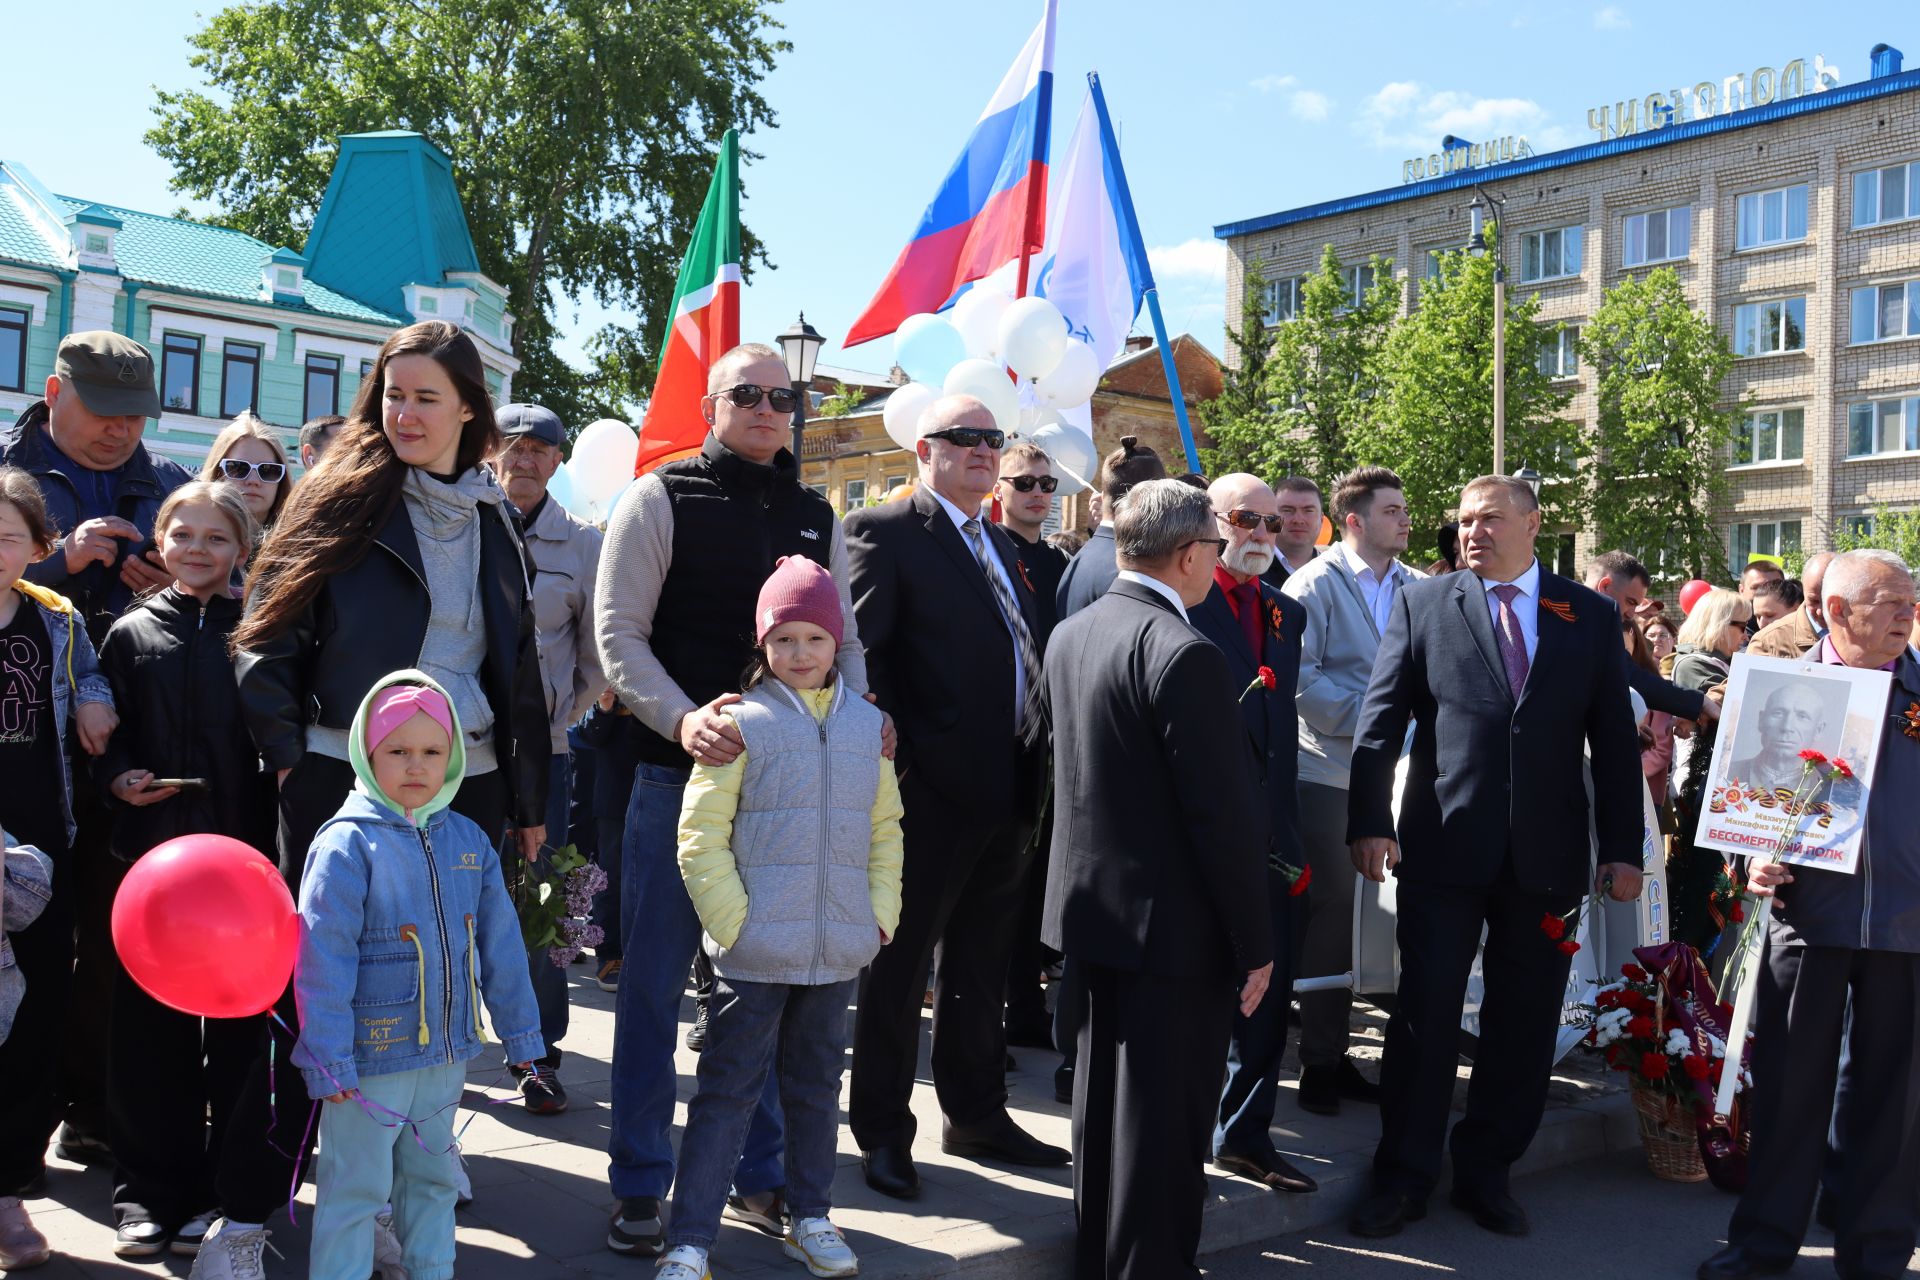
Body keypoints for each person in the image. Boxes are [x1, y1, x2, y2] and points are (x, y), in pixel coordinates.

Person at [596, 343, 874, 1254]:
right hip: (675, 782)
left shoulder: (812, 514)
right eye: (746, 394)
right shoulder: (661, 496)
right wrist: (684, 723)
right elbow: (618, 636)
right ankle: (641, 1183)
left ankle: (760, 1183)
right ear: (712, 404)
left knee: (770, 991)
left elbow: (849, 644)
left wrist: (863, 722)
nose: (766, 408)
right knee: (653, 990)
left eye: (781, 395)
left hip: (789, 799)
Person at [1345, 475, 1643, 1240]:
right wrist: (1368, 821)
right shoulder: (1426, 603)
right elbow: (1380, 723)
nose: (1473, 532)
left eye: (1491, 519)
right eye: (1465, 520)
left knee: (1524, 1021)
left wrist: (1621, 848)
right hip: (1443, 846)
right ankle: (1404, 1175)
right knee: (1425, 1015)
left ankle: (1487, 1172)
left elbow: (1613, 744)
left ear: (1534, 524)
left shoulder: (1587, 613)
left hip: (1546, 857)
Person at [1043, 478, 1274, 1279]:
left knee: (1102, 1116)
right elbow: (1221, 817)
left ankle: (1106, 1260)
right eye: (1213, 546)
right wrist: (1255, 940)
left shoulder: (1072, 632)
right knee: (1166, 1129)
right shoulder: (1185, 651)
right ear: (1186, 555)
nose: (1218, 561)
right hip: (1174, 931)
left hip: (1094, 917)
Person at [655, 556, 903, 1280]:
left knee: (817, 1089)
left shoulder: (867, 727)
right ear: (763, 643)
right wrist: (736, 924)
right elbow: (700, 835)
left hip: (836, 950)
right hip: (753, 952)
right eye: (785, 638)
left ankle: (812, 1216)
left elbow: (885, 829)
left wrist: (876, 917)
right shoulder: (742, 723)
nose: (800, 653)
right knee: (726, 1095)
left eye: (815, 638)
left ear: (837, 644)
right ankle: (690, 1239)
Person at [844, 394, 1066, 1200]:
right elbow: (863, 658)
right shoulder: (886, 528)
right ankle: (881, 1131)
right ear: (923, 448)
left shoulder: (999, 543)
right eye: (964, 438)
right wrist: (907, 758)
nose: (982, 450)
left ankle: (976, 1112)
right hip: (925, 792)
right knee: (901, 971)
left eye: (991, 440)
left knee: (984, 961)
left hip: (1009, 785)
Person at [234, 320, 549, 872]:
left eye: (426, 398)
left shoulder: (495, 516)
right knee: (333, 954)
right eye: (393, 394)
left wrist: (528, 801)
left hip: (468, 784)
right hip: (341, 777)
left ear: (468, 408)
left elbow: (519, 667)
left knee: (451, 953)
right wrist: (289, 760)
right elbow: (266, 635)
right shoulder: (333, 498)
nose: (404, 415)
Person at [1700, 549, 1920, 1280]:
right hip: (1806, 920)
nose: (1905, 615)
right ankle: (1762, 1246)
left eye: (1910, 602)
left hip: (1905, 927)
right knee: (1791, 1094)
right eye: (1889, 602)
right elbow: (1737, 799)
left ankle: (1876, 1256)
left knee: (1890, 1107)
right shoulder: (1782, 685)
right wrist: (1746, 863)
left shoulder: (1919, 690)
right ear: (1835, 611)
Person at [0, 332, 187, 1163]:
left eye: (136, 415)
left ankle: (84, 1107)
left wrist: (185, 574)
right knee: (23, 945)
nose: (122, 431)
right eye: (106, 412)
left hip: (123, 743)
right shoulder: (9, 480)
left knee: (110, 941)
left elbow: (225, 568)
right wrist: (60, 561)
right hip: (23, 746)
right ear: (52, 392)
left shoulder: (170, 483)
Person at [293, 672, 542, 1280]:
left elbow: (501, 945)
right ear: (366, 753)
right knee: (355, 1191)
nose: (415, 766)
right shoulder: (345, 844)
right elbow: (321, 960)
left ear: (453, 756)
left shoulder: (469, 840)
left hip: (444, 1054)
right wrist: (327, 1059)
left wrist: (524, 1037)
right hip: (365, 1062)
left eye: (432, 752)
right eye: (397, 751)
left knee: (432, 1181)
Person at [92, 482, 279, 1259]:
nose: (197, 550)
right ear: (159, 542)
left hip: (243, 871)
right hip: (155, 871)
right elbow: (109, 738)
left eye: (216, 538)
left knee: (239, 1039)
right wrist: (123, 778)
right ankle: (146, 1194)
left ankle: (219, 1192)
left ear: (241, 551)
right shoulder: (128, 634)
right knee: (148, 1036)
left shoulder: (260, 634)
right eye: (183, 535)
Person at [1187, 472, 1315, 1194]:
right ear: (1210, 522)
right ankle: (1186, 1131)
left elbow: (1281, 731)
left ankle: (1246, 1135)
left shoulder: (1282, 613)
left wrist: (1290, 836)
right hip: (1202, 832)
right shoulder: (1179, 602)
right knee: (1205, 991)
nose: (1264, 535)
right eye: (1247, 520)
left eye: (1274, 524)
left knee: (1268, 992)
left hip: (1270, 834)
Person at [0, 468, 115, 1270]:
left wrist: (92, 698)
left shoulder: (55, 616)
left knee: (34, 1020)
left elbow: (88, 675)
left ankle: (7, 1194)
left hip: (41, 854)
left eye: (8, 536)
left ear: (39, 550)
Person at [1282, 465, 1424, 1116]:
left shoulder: (1419, 587)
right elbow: (1300, 681)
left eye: (1405, 509)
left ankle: (1409, 1054)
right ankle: (1321, 1059)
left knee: (1400, 916)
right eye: (1393, 510)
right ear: (1357, 521)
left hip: (1406, 772)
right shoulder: (1313, 583)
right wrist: (1378, 719)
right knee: (1334, 911)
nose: (1405, 519)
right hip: (1329, 774)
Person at [488, 402, 606, 1115]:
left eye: (540, 448)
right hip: (458, 752)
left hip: (546, 757)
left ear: (558, 461)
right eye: (512, 446)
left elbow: (599, 654)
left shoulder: (582, 542)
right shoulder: (463, 520)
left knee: (539, 905)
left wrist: (559, 717)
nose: (525, 459)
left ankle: (539, 1052)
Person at [992, 442, 1067, 1052]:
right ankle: (998, 1010)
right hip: (997, 740)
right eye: (1025, 483)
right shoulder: (987, 551)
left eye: (1047, 484)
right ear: (1000, 488)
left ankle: (1026, 1001)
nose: (1038, 493)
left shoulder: (1059, 564)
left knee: (1035, 878)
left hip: (1048, 741)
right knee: (998, 885)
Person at [1669, 587, 1750, 951]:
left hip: (1722, 789)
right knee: (1697, 894)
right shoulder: (1694, 664)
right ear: (1718, 624)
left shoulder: (1724, 663)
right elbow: (1720, 717)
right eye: (1740, 625)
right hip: (1701, 790)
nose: (1746, 635)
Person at [1585, 551, 1719, 731]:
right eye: (1630, 601)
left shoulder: (1601, 627)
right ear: (1605, 586)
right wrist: (1700, 702)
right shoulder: (1560, 616)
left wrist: (1632, 730)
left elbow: (1629, 679)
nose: (1632, 613)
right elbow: (1629, 677)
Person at [1055, 436, 1165, 621]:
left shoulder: (1085, 555)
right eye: (1164, 497)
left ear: (1104, 494)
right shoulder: (1128, 568)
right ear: (1151, 499)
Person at [201, 414, 293, 534]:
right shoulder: (190, 540)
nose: (253, 480)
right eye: (238, 468)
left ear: (281, 482)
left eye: (268, 470)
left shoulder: (301, 547)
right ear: (217, 473)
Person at [1748, 551, 1832, 660]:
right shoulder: (1766, 643)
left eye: (1769, 615)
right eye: (1813, 601)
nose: (1762, 624)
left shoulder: (1858, 633)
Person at [1262, 476, 1323, 589]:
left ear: (1322, 518)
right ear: (1272, 517)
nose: (1298, 520)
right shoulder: (1252, 571)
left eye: (1308, 510)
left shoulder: (1340, 574)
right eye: (1287, 510)